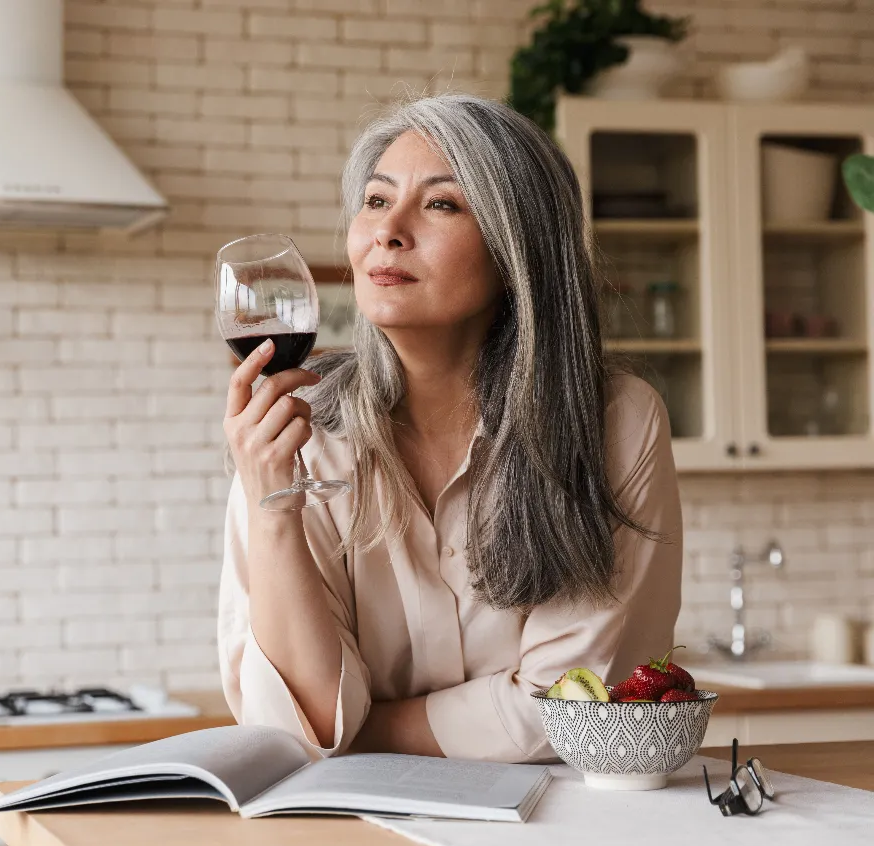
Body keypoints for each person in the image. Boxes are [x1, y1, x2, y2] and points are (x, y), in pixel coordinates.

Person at [217, 93, 681, 762]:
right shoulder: (300, 437)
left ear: (517, 247)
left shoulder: (615, 422)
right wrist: (273, 507)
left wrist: (361, 727)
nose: (388, 230)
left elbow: (569, 708)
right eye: (376, 201)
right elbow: (297, 723)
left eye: (441, 204)